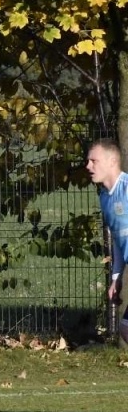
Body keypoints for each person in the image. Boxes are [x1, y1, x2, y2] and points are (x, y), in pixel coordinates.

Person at [85, 139, 128, 344]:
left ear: (112, 161)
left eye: (94, 160)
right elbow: (119, 241)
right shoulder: (105, 198)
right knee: (126, 328)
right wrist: (116, 277)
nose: (88, 166)